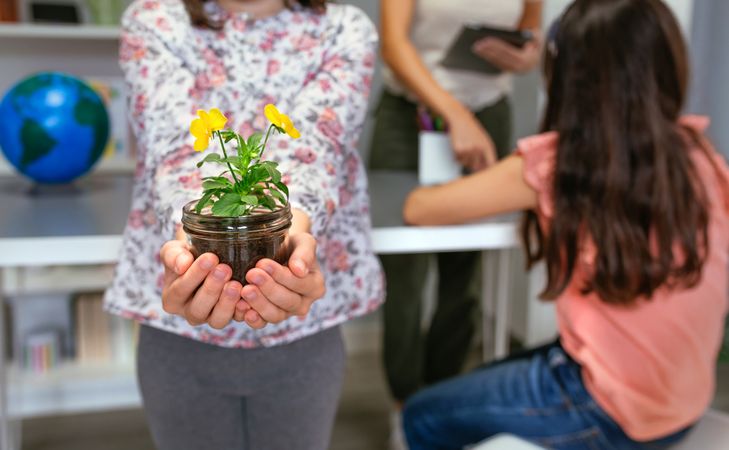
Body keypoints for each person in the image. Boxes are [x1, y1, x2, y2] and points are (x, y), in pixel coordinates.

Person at [399, 0, 729, 448]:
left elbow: (420, 208)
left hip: (608, 409)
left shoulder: (561, 161)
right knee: (483, 379)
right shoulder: (700, 156)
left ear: (570, 76)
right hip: (684, 403)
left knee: (422, 415)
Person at [103, 0, 384, 449]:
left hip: (301, 326)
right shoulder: (155, 19)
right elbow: (174, 144)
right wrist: (196, 238)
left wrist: (289, 236)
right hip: (179, 326)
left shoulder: (343, 29)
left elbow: (317, 145)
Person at [369, 0, 542, 446]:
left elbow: (531, 35)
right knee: (403, 278)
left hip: (488, 114)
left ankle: (440, 401)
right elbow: (393, 43)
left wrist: (527, 58)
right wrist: (455, 114)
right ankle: (406, 404)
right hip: (412, 116)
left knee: (464, 275)